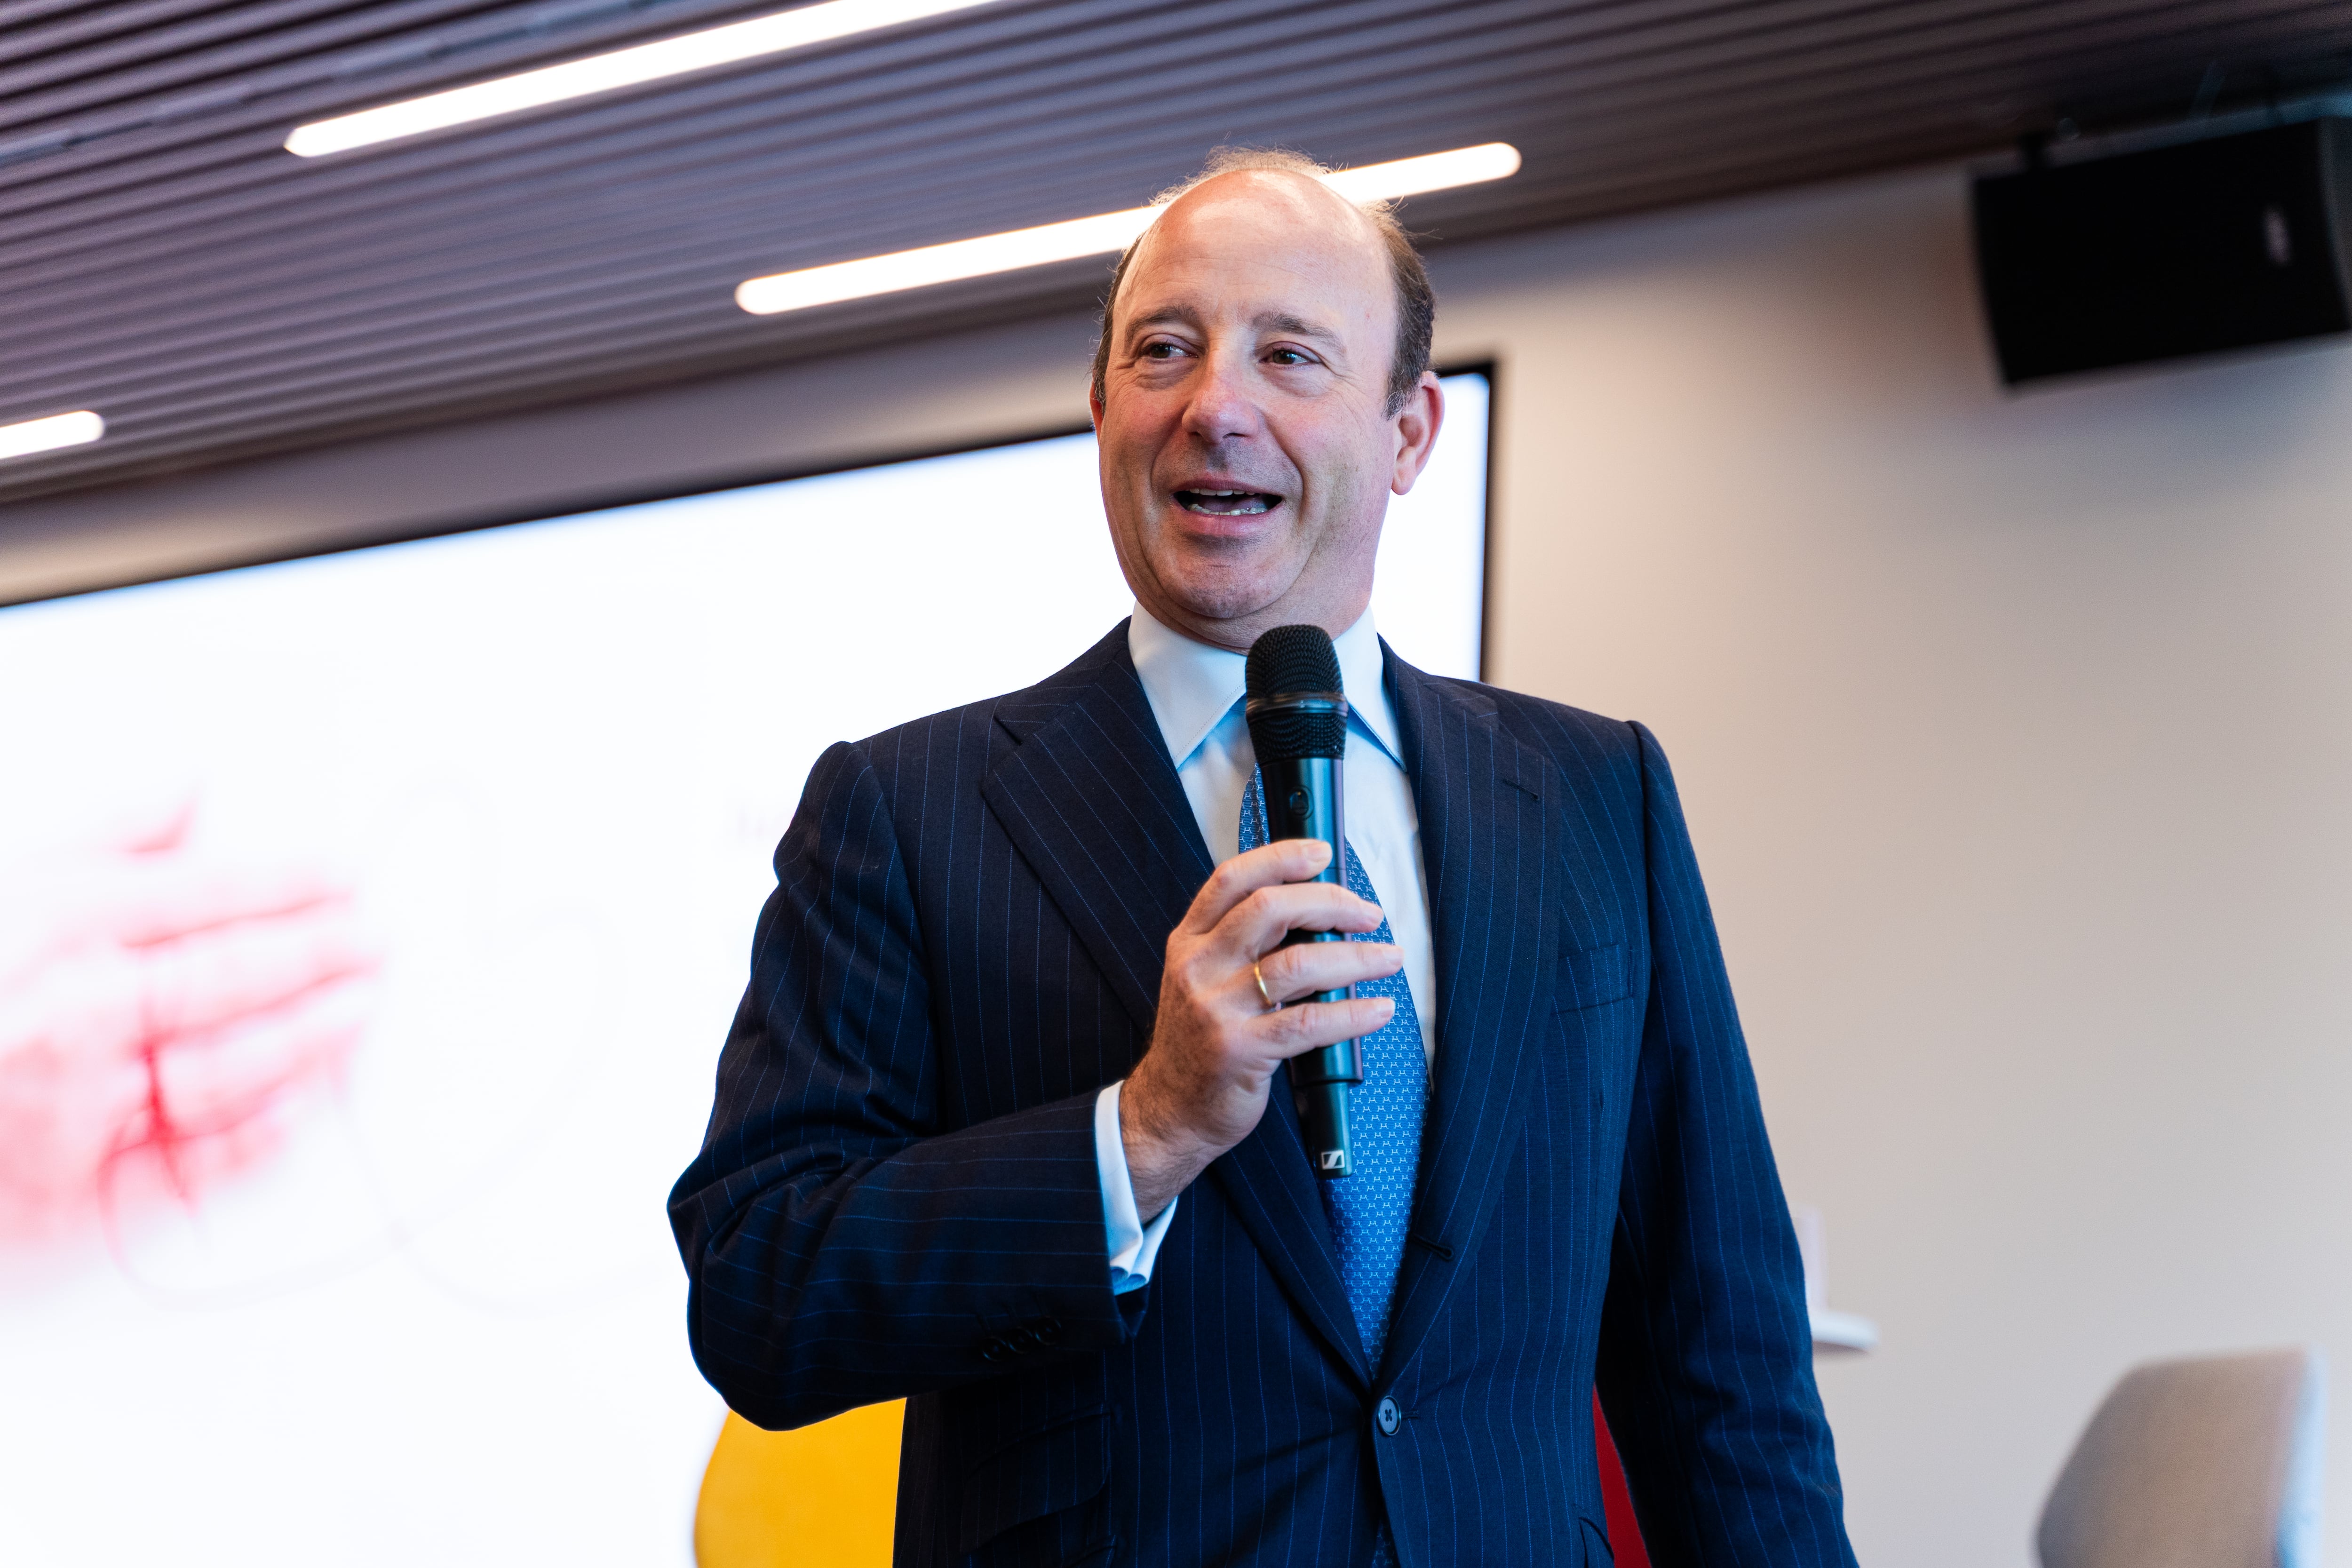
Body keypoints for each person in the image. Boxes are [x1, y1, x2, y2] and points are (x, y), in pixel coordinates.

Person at [671, 147, 1855, 1568]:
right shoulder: (910, 810)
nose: (1214, 405)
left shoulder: (1599, 796)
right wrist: (1145, 1130)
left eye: (1290, 355)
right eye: (1164, 349)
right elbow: (761, 1291)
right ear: (1102, 407)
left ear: (1410, 433)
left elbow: (1721, 1358)